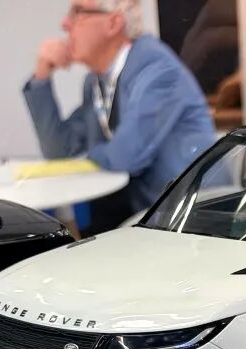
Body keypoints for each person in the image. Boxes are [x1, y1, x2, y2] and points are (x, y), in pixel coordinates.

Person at [23, 0, 216, 235]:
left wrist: (88, 159)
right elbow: (59, 150)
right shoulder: (96, 82)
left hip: (189, 219)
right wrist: (42, 74)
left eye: (77, 13)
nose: (65, 24)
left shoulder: (157, 70)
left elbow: (126, 155)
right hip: (141, 217)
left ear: (113, 23)